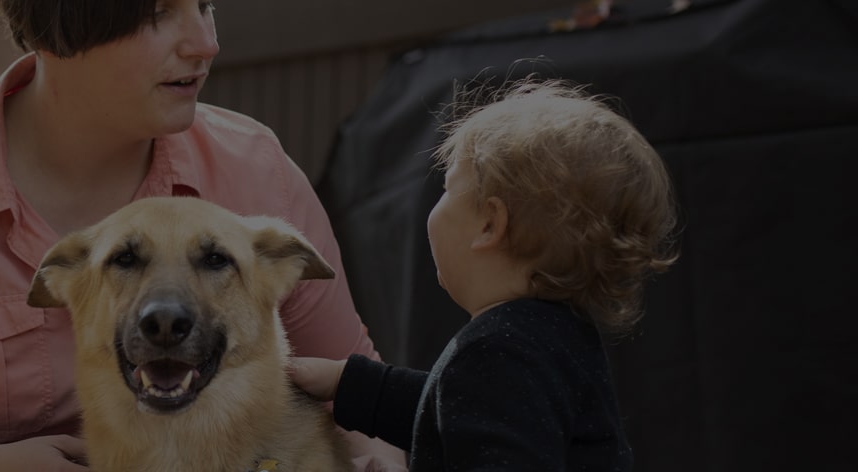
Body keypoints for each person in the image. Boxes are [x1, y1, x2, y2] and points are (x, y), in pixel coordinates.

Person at [0, 0, 407, 469]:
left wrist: (378, 458)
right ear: (62, 21)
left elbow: (354, 394)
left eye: (205, 4)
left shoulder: (255, 170)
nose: (204, 41)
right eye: (157, 12)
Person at [287, 78, 678, 470]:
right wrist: (347, 383)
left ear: (490, 225)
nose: (436, 205)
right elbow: (453, 409)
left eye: (447, 188)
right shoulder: (556, 337)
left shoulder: (499, 351)